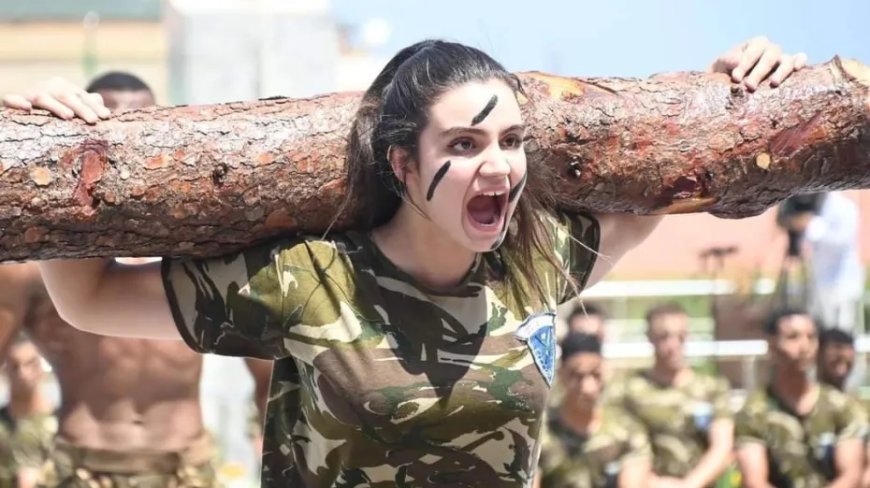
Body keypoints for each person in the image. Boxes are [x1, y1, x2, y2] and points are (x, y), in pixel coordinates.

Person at [3, 37, 804, 487]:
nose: (500, 167)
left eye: (511, 142)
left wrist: (733, 90)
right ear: (402, 165)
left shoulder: (539, 258)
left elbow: (679, 181)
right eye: (463, 144)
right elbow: (92, 298)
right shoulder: (309, 279)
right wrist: (59, 142)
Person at [0, 72, 272, 488]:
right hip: (81, 469)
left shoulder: (200, 249)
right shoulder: (41, 262)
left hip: (188, 469)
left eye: (140, 126)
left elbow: (266, 372)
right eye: (112, 125)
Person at [735, 308, 867, 488]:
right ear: (772, 345)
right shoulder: (755, 410)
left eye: (811, 337)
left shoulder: (840, 406)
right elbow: (755, 481)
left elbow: (851, 475)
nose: (804, 346)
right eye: (793, 337)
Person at [606, 303, 734, 487]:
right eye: (663, 337)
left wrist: (689, 485)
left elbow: (722, 447)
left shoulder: (712, 388)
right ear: (649, 337)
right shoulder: (629, 390)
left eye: (680, 336)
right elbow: (618, 446)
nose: (673, 345)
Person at [536, 333, 652, 488]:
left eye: (595, 375)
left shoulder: (626, 431)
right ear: (561, 374)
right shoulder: (538, 434)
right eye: (577, 376)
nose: (587, 387)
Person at [783, 192, 865, 333]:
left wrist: (810, 225)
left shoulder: (843, 207)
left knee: (842, 332)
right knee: (821, 330)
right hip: (820, 280)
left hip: (841, 280)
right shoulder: (816, 207)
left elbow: (842, 241)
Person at [0, 336, 56, 488]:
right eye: (14, 366)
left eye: (31, 364)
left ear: (42, 369)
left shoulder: (59, 426)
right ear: (5, 370)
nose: (22, 374)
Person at [817, 327, 857, 392]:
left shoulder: (856, 399)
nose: (844, 355)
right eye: (837, 347)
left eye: (849, 349)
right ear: (819, 354)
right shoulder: (806, 398)